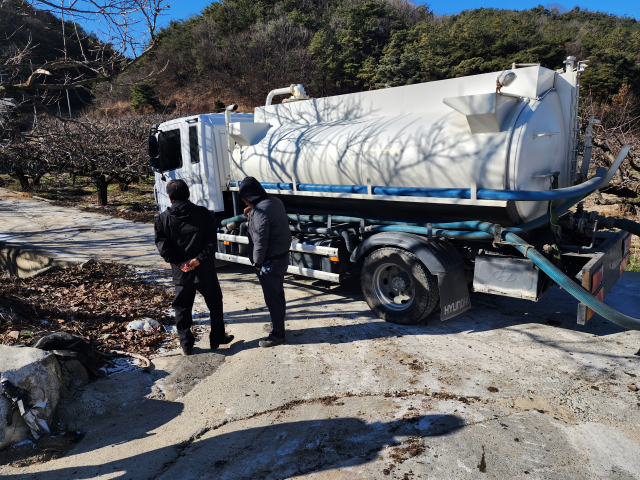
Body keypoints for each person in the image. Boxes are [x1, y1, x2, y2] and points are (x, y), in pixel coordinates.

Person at [154, 179, 233, 355]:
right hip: (205, 269)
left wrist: (180, 263)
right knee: (215, 304)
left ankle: (186, 345)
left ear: (168, 197)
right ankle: (217, 337)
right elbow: (211, 241)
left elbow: (163, 247)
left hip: (182, 273)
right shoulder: (203, 214)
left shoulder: (163, 219)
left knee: (182, 308)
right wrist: (198, 259)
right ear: (189, 194)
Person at [239, 177, 292, 348]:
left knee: (272, 299)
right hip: (282, 258)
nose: (244, 201)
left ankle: (278, 334)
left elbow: (260, 242)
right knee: (278, 294)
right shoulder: (275, 201)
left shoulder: (259, 212)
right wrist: (252, 212)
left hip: (269, 262)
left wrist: (257, 262)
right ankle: (278, 324)